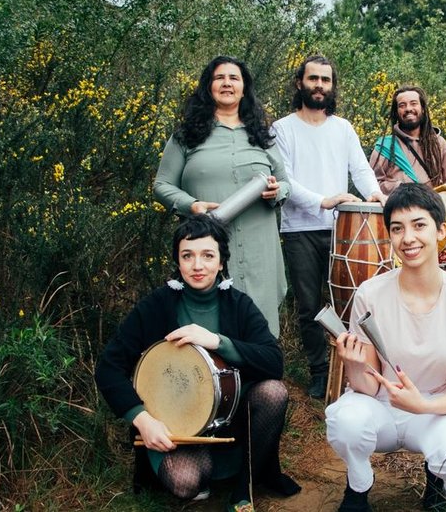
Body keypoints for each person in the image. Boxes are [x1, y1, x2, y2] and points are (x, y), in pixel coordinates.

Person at [94, 215, 300, 511]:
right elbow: (108, 367)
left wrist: (218, 341)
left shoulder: (239, 305)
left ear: (221, 262)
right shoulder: (155, 306)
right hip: (175, 431)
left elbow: (273, 362)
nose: (197, 265)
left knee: (273, 392)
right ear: (177, 262)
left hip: (231, 427)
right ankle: (199, 475)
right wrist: (142, 419)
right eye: (187, 256)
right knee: (186, 482)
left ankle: (245, 486)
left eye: (208, 255)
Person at [325, 183, 446, 511]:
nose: (408, 238)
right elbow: (368, 387)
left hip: (434, 411)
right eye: (397, 229)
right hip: (381, 408)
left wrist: (422, 406)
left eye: (419, 225)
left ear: (441, 230)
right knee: (345, 421)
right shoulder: (370, 294)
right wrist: (355, 365)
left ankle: (440, 483)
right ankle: (358, 485)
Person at [272, 54, 386, 398]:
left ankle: (355, 371)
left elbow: (361, 170)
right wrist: (322, 200)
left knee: (351, 303)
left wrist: (376, 194)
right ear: (299, 83)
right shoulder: (282, 128)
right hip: (299, 230)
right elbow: (284, 180)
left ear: (332, 86)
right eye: (313, 79)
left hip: (345, 228)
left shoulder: (343, 128)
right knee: (309, 306)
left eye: (326, 80)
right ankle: (320, 372)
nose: (319, 85)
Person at [154, 56, 289, 338]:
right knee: (208, 322)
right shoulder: (186, 136)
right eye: (219, 78)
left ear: (244, 89)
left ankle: (260, 379)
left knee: (259, 326)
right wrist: (191, 205)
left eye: (234, 78)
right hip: (205, 245)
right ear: (208, 87)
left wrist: (278, 191)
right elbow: (162, 184)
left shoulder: (262, 136)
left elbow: (285, 184)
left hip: (258, 247)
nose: (227, 83)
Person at [369, 85, 446, 195]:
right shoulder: (385, 147)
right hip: (398, 210)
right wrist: (403, 188)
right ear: (396, 112)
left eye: (413, 103)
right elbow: (372, 186)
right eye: (402, 105)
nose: (408, 109)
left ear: (423, 109)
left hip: (433, 210)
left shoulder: (439, 144)